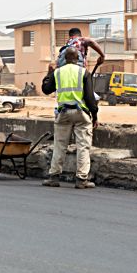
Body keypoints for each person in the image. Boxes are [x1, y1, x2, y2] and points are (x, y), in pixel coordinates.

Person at [42, 47, 99, 189]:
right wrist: (95, 116)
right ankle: (81, 180)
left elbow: (46, 89)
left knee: (59, 146)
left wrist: (49, 73)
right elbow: (90, 98)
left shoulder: (57, 73)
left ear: (64, 59)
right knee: (83, 147)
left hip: (63, 113)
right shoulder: (84, 73)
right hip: (81, 113)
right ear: (78, 59)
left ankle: (54, 177)